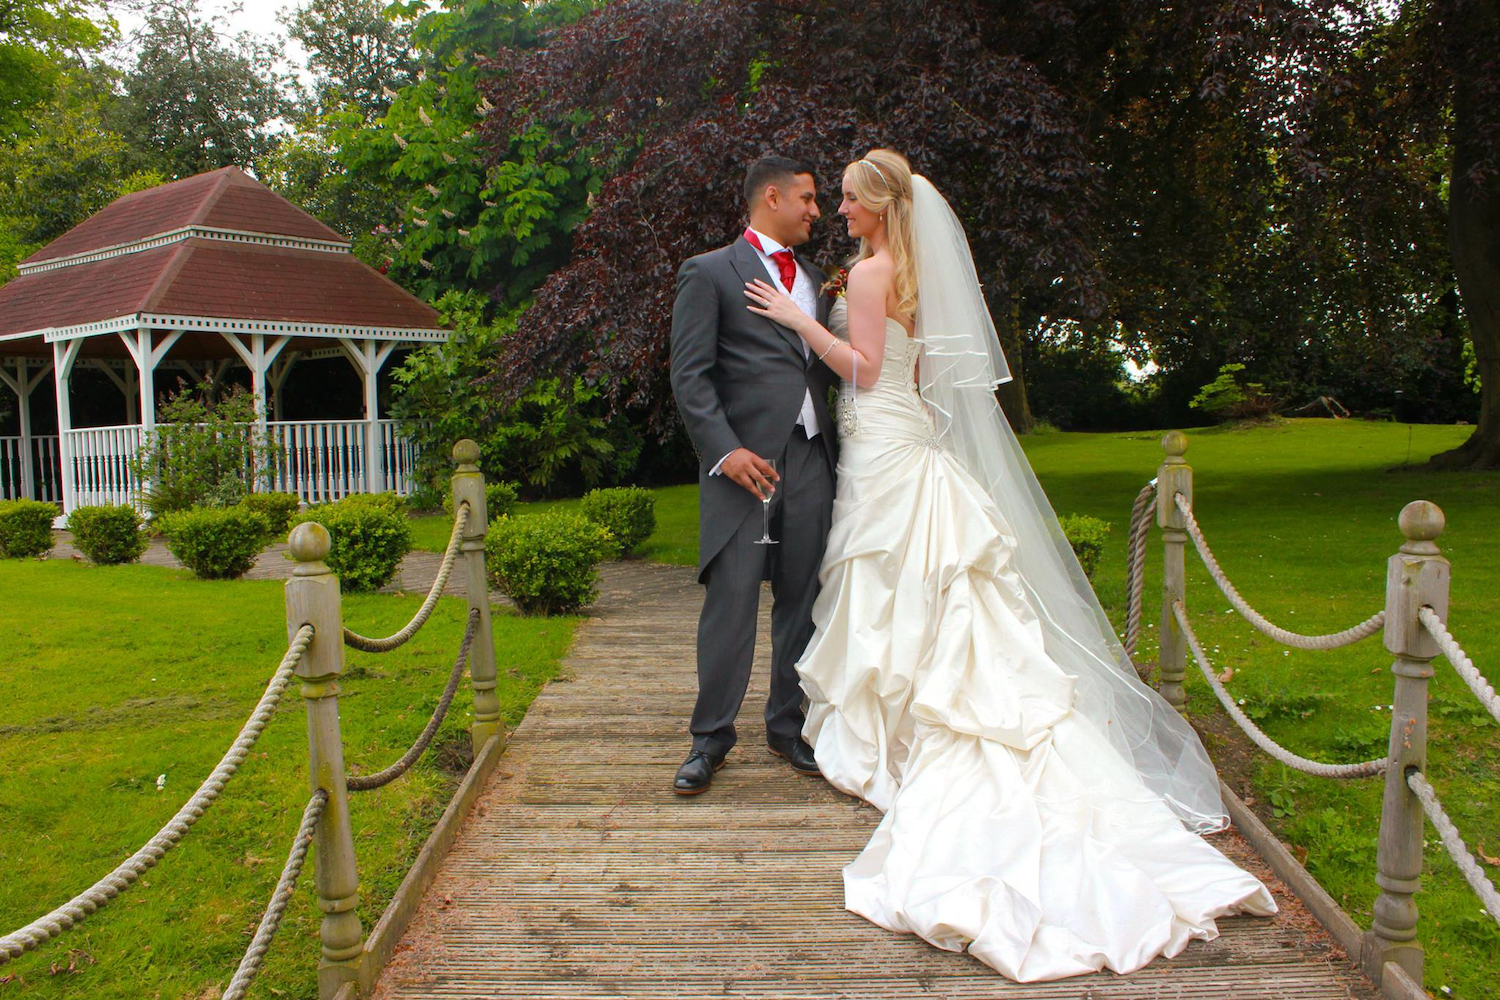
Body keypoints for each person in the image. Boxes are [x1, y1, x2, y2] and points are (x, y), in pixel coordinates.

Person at [741, 148, 1277, 981]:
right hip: (897, 438)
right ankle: (918, 710)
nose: (837, 209)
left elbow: (867, 369)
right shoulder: (905, 270)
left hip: (883, 440)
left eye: (847, 198)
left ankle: (904, 726)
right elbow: (910, 370)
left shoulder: (873, 274)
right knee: (919, 581)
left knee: (892, 578)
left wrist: (799, 320)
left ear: (879, 206)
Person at [667, 155, 840, 795]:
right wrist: (726, 451)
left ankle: (786, 727)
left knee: (802, 598)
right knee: (733, 600)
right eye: (808, 198)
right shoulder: (709, 271)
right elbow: (690, 375)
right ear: (772, 196)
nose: (817, 211)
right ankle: (709, 739)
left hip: (811, 457)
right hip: (744, 467)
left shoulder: (820, 281)